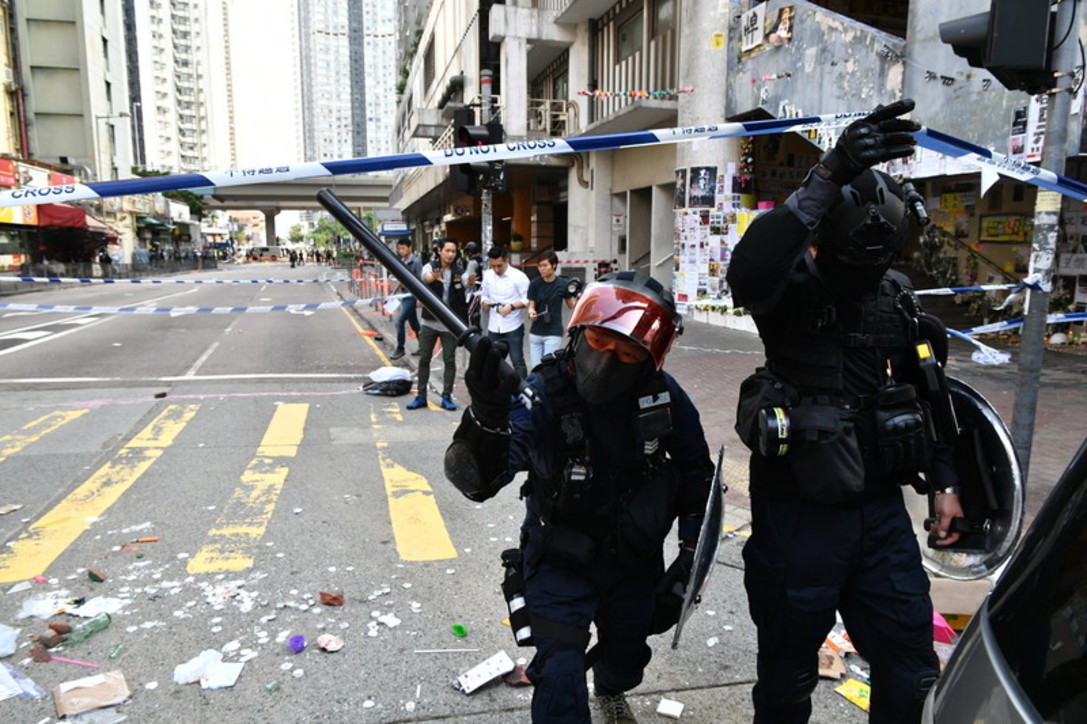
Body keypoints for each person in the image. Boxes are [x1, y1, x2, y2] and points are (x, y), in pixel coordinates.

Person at [725, 99, 965, 723]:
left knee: (912, 673)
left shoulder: (898, 300)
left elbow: (929, 394)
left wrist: (945, 483)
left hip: (881, 517)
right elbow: (749, 265)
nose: (864, 273)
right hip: (798, 516)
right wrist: (827, 174)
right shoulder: (787, 294)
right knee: (787, 679)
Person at [444, 271, 715, 723]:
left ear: (648, 360)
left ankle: (612, 684)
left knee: (626, 660)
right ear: (578, 333)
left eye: (626, 353)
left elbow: (697, 472)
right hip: (558, 554)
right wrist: (488, 418)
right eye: (599, 343)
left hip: (632, 557)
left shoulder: (663, 397)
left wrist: (690, 557)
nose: (608, 362)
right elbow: (479, 481)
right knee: (559, 672)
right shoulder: (543, 392)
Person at [407, 237, 474, 411]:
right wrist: (433, 277)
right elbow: (425, 278)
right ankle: (421, 396)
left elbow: (466, 283)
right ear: (440, 251)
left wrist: (470, 283)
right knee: (424, 359)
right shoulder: (430, 266)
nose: (451, 254)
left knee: (449, 360)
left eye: (454, 251)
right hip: (429, 322)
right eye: (448, 251)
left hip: (450, 324)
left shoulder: (460, 271)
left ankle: (446, 396)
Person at [479, 245, 531, 377]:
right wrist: (485, 302)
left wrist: (511, 307)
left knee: (517, 360)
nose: (496, 269)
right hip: (494, 326)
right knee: (492, 361)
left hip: (513, 325)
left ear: (506, 260)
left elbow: (527, 299)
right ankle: (496, 391)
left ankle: (523, 392)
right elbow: (483, 294)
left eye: (499, 266)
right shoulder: (488, 276)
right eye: (493, 266)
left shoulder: (519, 276)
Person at [527, 250, 578, 369]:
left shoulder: (563, 284)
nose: (541, 269)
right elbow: (531, 306)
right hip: (535, 333)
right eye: (539, 266)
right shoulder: (534, 284)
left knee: (548, 368)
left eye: (545, 265)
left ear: (554, 265)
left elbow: (572, 305)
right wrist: (531, 313)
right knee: (536, 369)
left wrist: (582, 299)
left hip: (553, 332)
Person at [390, 239, 422, 360]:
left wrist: (420, 298)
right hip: (404, 295)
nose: (401, 251)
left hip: (412, 296)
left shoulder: (416, 262)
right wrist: (394, 292)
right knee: (414, 324)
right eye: (399, 249)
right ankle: (424, 347)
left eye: (403, 248)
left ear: (410, 248)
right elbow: (401, 279)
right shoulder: (402, 262)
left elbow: (421, 281)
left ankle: (400, 348)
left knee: (399, 321)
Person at [463, 241, 484, 330]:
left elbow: (470, 276)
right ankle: (477, 327)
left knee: (471, 309)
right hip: (481, 287)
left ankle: (474, 328)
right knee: (476, 309)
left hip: (474, 288)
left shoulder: (472, 262)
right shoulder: (482, 260)